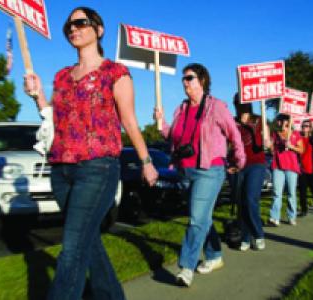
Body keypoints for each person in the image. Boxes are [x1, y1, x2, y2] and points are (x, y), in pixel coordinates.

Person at [23, 7, 158, 299]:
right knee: (88, 241)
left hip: (97, 169)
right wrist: (38, 97)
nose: (73, 28)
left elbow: (129, 120)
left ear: (98, 29)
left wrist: (146, 160)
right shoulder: (61, 77)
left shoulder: (115, 73)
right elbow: (55, 120)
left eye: (81, 22)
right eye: (69, 26)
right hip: (61, 171)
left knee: (71, 248)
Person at [154, 63, 245, 287]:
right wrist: (161, 123)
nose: (185, 82)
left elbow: (234, 134)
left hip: (209, 169)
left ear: (202, 80)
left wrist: (239, 159)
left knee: (196, 219)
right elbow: (173, 138)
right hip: (185, 170)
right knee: (203, 217)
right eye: (183, 79)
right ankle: (214, 255)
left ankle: (186, 267)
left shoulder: (216, 107)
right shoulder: (181, 109)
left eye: (190, 78)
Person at [232, 94, 271, 251]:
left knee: (250, 199)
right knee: (241, 203)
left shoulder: (259, 120)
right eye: (237, 103)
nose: (239, 106)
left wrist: (267, 142)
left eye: (242, 103)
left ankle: (258, 233)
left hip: (256, 163)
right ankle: (246, 237)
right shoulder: (233, 122)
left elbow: (268, 143)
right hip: (238, 166)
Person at [269, 114, 303, 226]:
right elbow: (271, 149)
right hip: (277, 166)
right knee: (276, 192)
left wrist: (292, 146)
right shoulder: (274, 134)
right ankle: (275, 217)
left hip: (291, 167)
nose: (280, 123)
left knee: (291, 193)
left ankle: (292, 216)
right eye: (278, 120)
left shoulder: (295, 134)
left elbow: (301, 150)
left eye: (282, 120)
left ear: (288, 121)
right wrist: (269, 146)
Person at [298, 120, 313, 215]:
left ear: (310, 128)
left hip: (312, 168)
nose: (305, 128)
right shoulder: (298, 138)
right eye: (303, 126)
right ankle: (304, 210)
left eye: (307, 126)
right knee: (302, 191)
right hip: (301, 168)